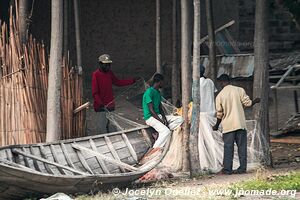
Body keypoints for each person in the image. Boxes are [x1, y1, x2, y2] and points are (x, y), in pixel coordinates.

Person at [212, 74, 260, 175]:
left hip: (228, 126)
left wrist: (216, 125)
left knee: (228, 148)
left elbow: (220, 114)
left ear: (221, 83)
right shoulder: (239, 90)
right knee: (242, 147)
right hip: (240, 124)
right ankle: (242, 169)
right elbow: (248, 103)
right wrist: (255, 101)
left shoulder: (220, 96)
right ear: (229, 81)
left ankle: (227, 170)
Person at [91, 54, 138, 133]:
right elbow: (95, 93)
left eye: (109, 65)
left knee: (112, 128)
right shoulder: (96, 75)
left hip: (110, 105)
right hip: (101, 107)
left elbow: (118, 82)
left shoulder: (109, 73)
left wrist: (132, 81)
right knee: (102, 128)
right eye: (106, 65)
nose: (108, 67)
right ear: (100, 64)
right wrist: (101, 104)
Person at [142, 73, 183, 149]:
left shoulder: (158, 92)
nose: (163, 84)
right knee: (166, 132)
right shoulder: (149, 92)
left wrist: (164, 118)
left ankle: (161, 131)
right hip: (150, 118)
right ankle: (155, 148)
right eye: (163, 82)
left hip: (158, 116)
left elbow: (160, 108)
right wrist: (160, 120)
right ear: (159, 82)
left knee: (180, 119)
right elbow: (151, 110)